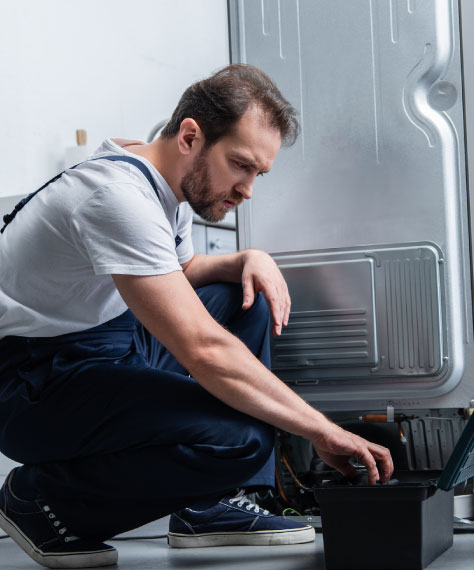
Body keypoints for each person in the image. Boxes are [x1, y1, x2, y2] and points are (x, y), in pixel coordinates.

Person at [0, 64, 393, 568]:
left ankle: (208, 507)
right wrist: (321, 429)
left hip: (104, 345)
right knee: (244, 439)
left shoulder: (168, 185)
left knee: (246, 295)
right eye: (241, 165)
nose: (248, 188)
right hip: (34, 385)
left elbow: (180, 270)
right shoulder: (117, 196)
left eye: (259, 173)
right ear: (190, 136)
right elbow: (203, 348)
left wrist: (246, 260)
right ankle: (40, 500)